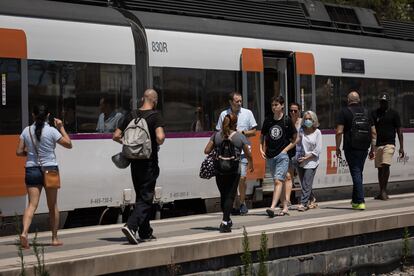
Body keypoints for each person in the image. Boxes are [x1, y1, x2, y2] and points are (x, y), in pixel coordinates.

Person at [16, 105, 72, 249]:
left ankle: (24, 232)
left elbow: (19, 152)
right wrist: (61, 127)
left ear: (33, 116)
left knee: (31, 205)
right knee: (52, 206)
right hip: (50, 170)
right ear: (48, 115)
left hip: (32, 169)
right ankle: (54, 238)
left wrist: (29, 154)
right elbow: (68, 144)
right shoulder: (52, 131)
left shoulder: (26, 131)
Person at [113, 89, 165, 244]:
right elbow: (160, 137)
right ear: (155, 101)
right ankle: (131, 225)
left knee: (141, 196)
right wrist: (157, 142)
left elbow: (115, 135)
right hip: (149, 162)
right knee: (146, 197)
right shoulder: (156, 116)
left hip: (134, 162)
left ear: (143, 98)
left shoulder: (130, 115)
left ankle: (145, 232)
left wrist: (130, 145)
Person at [204, 113, 253, 232]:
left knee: (224, 195)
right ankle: (225, 222)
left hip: (219, 170)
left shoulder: (216, 136)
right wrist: (251, 163)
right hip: (234, 170)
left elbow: (206, 150)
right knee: (230, 196)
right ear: (235, 124)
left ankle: (227, 220)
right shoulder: (239, 137)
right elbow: (248, 153)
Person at [216, 92, 257, 215]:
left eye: (240, 101)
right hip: (228, 154)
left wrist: (242, 133)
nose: (239, 103)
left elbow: (254, 131)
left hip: (242, 152)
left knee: (243, 178)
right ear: (230, 102)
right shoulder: (224, 114)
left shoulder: (248, 113)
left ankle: (242, 202)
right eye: (237, 101)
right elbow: (219, 131)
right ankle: (233, 204)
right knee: (231, 179)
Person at [336, 91, 376, 210]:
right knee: (358, 172)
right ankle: (355, 200)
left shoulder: (344, 111)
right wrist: (373, 148)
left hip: (351, 147)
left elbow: (339, 132)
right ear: (359, 100)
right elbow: (374, 132)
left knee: (356, 172)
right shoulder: (367, 112)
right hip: (364, 146)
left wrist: (337, 147)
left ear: (348, 100)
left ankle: (360, 201)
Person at [260, 96, 298, 218]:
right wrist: (261, 148)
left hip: (282, 156)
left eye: (276, 105)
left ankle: (272, 207)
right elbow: (262, 135)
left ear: (282, 106)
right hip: (270, 156)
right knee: (279, 181)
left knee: (278, 181)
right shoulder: (268, 120)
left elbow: (295, 138)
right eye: (272, 105)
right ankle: (285, 206)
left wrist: (285, 150)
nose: (273, 107)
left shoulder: (287, 120)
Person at [371, 93, 404, 200]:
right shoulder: (374, 113)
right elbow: (372, 131)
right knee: (380, 169)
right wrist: (372, 148)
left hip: (389, 143)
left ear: (388, 102)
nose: (383, 103)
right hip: (378, 144)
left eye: (384, 102)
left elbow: (399, 130)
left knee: (386, 165)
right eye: (381, 101)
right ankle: (381, 191)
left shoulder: (394, 114)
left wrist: (401, 147)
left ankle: (384, 191)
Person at [295, 111, 322, 211]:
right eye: (305, 119)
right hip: (300, 160)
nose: (307, 121)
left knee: (306, 183)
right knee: (304, 183)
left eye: (310, 119)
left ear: (314, 120)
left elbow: (318, 150)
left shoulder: (317, 132)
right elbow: (296, 142)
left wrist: (306, 157)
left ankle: (303, 203)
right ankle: (312, 198)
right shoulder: (301, 130)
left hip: (312, 161)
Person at [284, 102, 304, 210]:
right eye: (291, 110)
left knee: (303, 177)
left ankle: (310, 198)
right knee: (289, 176)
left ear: (299, 111)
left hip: (301, 152)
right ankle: (288, 200)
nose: (292, 113)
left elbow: (302, 137)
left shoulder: (302, 122)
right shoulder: (287, 121)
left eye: (295, 111)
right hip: (291, 152)